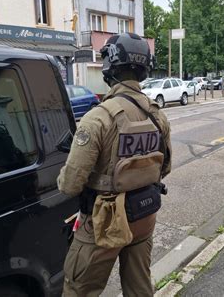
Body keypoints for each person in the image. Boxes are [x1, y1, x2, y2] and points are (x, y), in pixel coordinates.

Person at [57, 33, 172, 296]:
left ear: (110, 63)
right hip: (144, 215)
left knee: (78, 289)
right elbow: (164, 168)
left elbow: (70, 185)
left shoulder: (97, 118)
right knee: (139, 287)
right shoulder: (158, 115)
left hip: (104, 224)